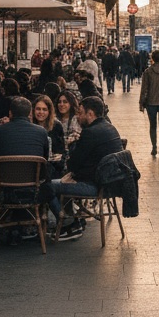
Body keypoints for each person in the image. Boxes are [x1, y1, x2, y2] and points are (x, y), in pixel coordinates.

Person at [49, 96, 123, 241]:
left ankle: (69, 223)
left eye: (80, 113)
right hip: (110, 185)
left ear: (90, 114)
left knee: (48, 185)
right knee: (66, 180)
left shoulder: (90, 132)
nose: (77, 116)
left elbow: (73, 165)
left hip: (96, 187)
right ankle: (74, 220)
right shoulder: (109, 127)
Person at [0, 96, 51, 243]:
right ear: (30, 114)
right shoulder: (41, 132)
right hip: (33, 190)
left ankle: (2, 220)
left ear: (10, 114)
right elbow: (45, 160)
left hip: (4, 191)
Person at [32, 94, 66, 176]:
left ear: (49, 111)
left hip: (52, 167)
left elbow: (60, 151)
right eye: (38, 109)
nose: (41, 112)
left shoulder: (56, 126)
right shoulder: (30, 125)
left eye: (44, 109)